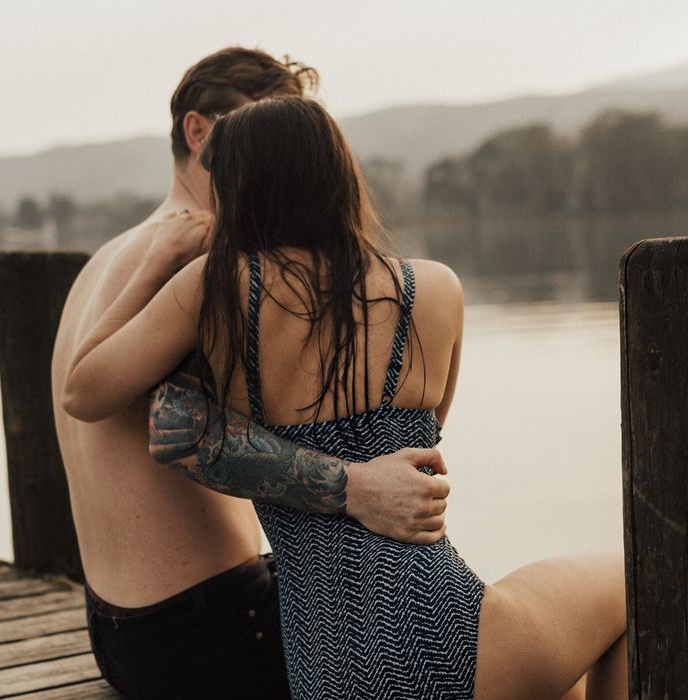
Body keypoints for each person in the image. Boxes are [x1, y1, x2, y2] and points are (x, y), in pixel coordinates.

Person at [61, 96, 628, 699]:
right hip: (455, 644)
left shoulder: (216, 293)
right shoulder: (434, 289)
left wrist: (156, 262)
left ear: (236, 189)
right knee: (637, 582)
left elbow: (85, 387)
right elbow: (429, 441)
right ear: (337, 174)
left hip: (325, 672)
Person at [51, 48, 450, 700]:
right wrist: (357, 487)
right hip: (212, 629)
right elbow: (157, 422)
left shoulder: (108, 259)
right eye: (258, 123)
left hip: (118, 630)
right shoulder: (206, 255)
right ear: (201, 133)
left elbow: (84, 387)